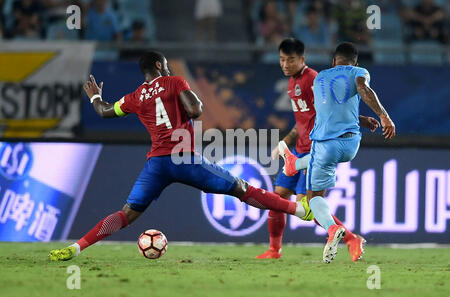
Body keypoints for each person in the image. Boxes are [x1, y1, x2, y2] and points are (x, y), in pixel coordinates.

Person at [49, 51, 312, 261]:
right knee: (242, 188)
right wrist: (188, 98)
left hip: (157, 164)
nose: (168, 68)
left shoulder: (135, 96)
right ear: (158, 64)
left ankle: (76, 247)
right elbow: (196, 110)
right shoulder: (175, 82)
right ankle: (299, 210)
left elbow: (105, 111)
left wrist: (96, 96)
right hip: (184, 158)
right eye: (165, 65)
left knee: (127, 213)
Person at [256, 38, 379, 261]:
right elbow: (303, 120)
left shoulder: (315, 78)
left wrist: (360, 120)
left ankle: (351, 238)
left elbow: (333, 110)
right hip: (301, 146)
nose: (285, 64)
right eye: (282, 60)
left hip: (317, 146)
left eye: (290, 60)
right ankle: (275, 250)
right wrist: (287, 139)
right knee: (278, 197)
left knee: (309, 207)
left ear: (302, 59)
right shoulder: (292, 84)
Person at [279, 42, 396, 263]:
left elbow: (321, 109)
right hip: (351, 144)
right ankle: (294, 164)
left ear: (333, 61)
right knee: (313, 161)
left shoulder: (320, 77)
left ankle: (332, 229)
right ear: (355, 62)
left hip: (325, 144)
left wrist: (382, 115)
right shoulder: (359, 72)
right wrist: (381, 116)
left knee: (313, 200)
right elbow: (361, 89)